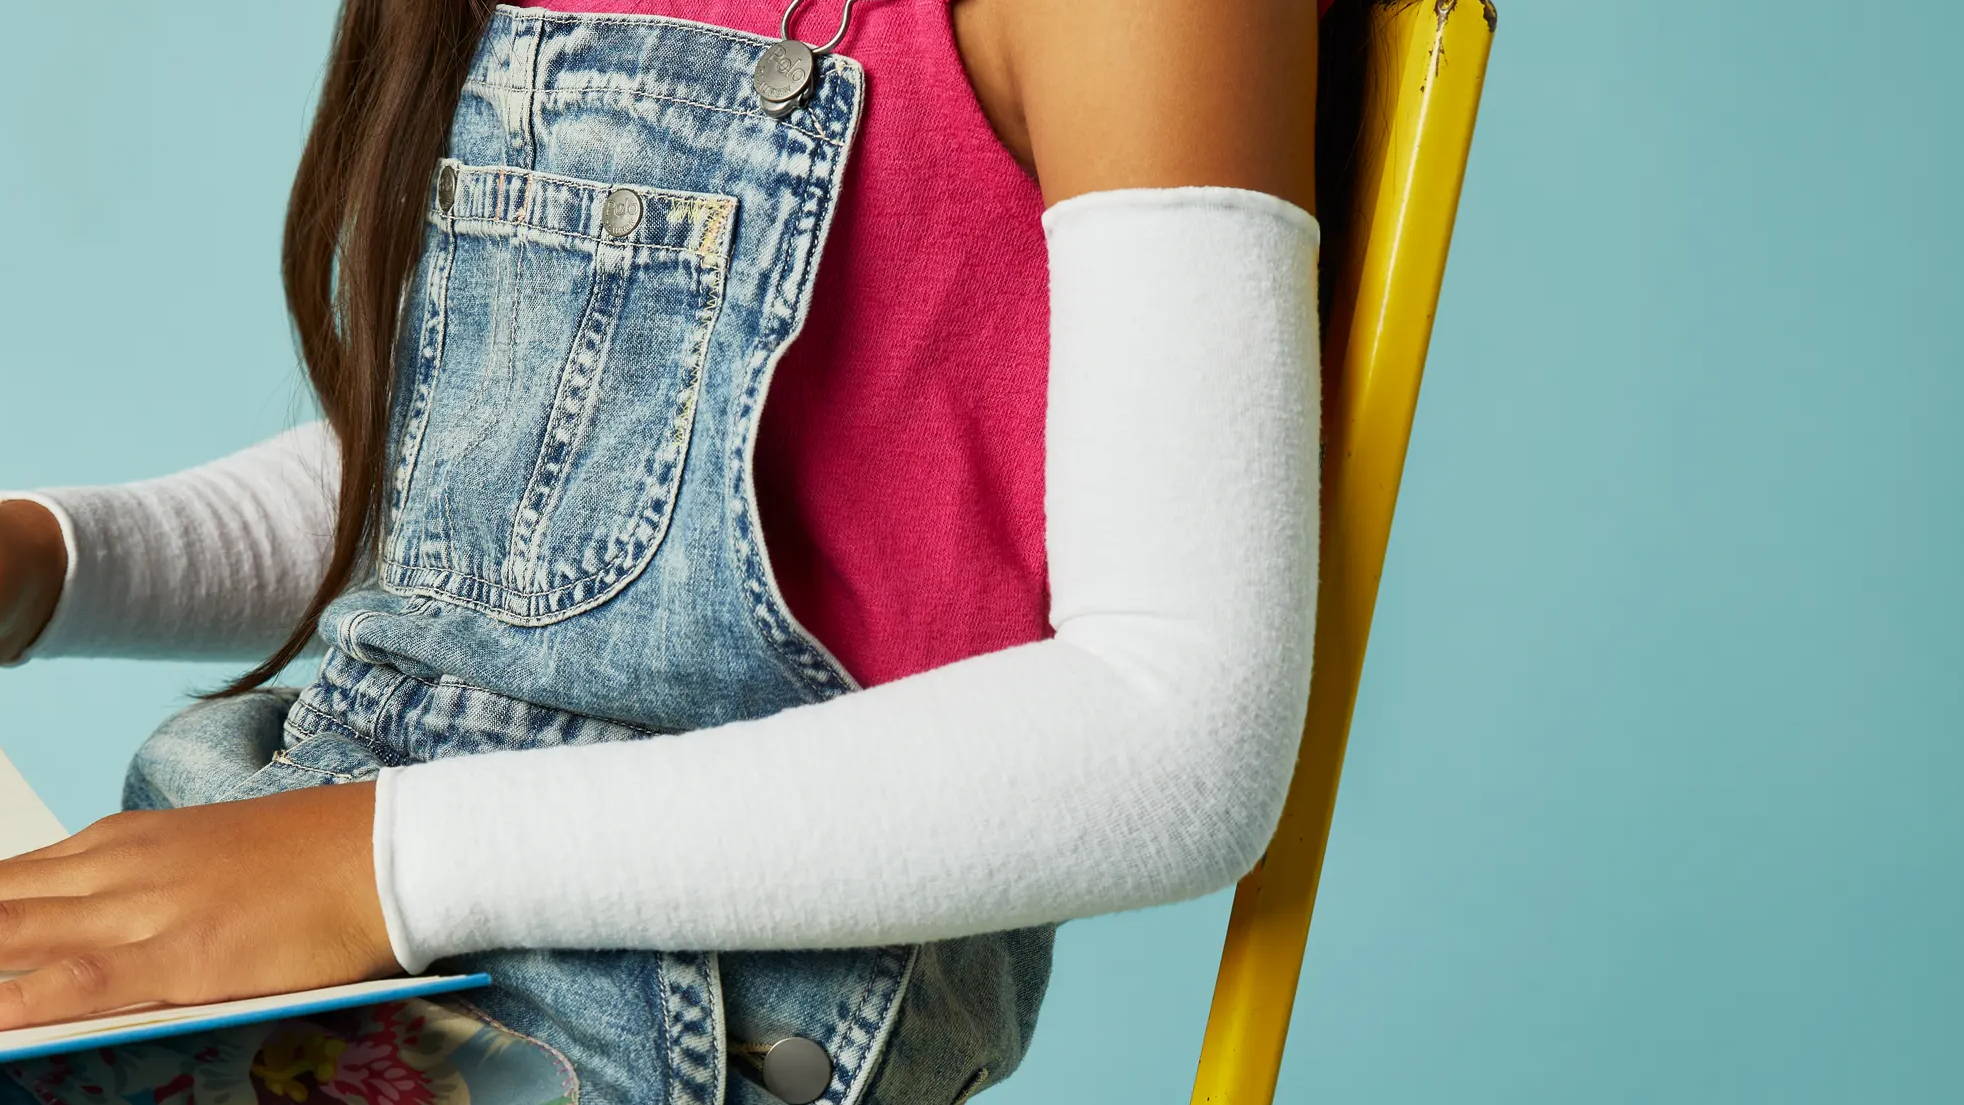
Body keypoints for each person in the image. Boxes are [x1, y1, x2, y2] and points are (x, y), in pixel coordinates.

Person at [0, 0, 1325, 1101]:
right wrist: (55, 555)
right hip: (299, 852)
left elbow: (1181, 728)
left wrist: (376, 861)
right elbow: (499, 489)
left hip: (677, 1001)